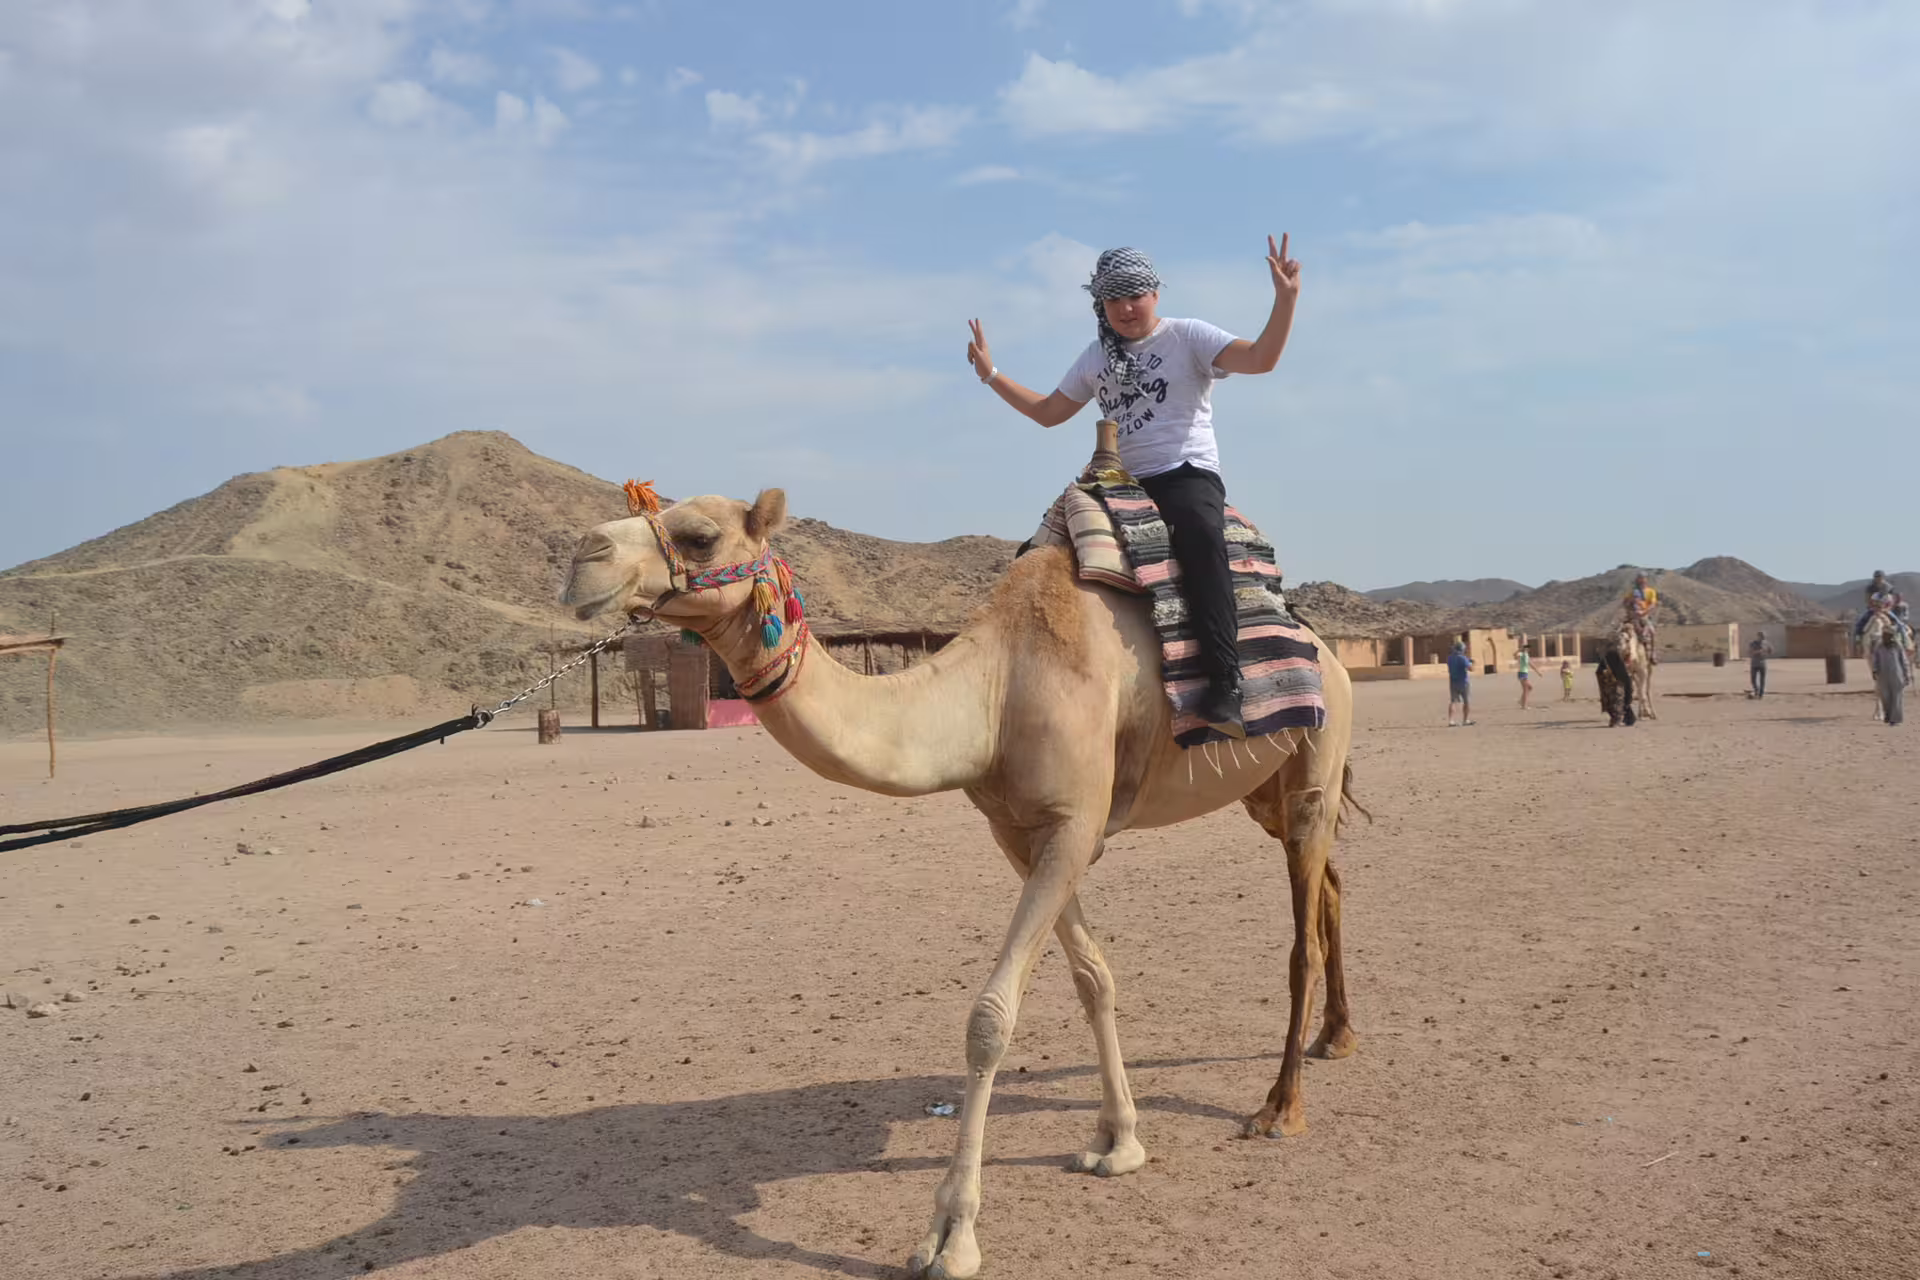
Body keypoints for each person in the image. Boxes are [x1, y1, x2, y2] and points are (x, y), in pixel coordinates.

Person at [966, 236, 1303, 739]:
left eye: (1135, 294)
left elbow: (1261, 358)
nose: (1126, 307)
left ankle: (1225, 681)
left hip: (1186, 472)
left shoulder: (1188, 337)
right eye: (1113, 298)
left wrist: (1286, 299)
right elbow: (1048, 413)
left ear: (1155, 294)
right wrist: (992, 374)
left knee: (1199, 538)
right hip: (1121, 479)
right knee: (1041, 548)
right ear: (1099, 303)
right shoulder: (1094, 358)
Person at [1871, 626, 1908, 726]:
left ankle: (1895, 719)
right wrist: (1874, 670)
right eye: (1884, 635)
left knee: (1897, 697)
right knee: (1885, 697)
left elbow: (1904, 661)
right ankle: (1888, 714)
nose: (1885, 637)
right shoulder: (1879, 646)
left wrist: (1906, 674)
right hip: (1883, 675)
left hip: (1897, 674)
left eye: (1887, 635)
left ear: (1892, 636)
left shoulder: (1897, 646)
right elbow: (1875, 659)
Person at [1624, 572, 1659, 663]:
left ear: (1646, 579)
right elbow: (1625, 603)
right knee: (1623, 634)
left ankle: (1653, 654)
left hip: (1645, 616)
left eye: (1643, 578)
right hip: (1633, 616)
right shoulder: (1632, 592)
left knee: (1652, 632)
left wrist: (1644, 612)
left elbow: (1652, 604)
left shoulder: (1651, 591)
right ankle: (1625, 654)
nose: (1642, 580)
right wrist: (1630, 602)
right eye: (1640, 578)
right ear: (1637, 580)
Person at [1446, 640, 1474, 726]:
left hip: (1453, 681)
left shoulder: (1450, 657)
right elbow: (1471, 668)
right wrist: (1471, 663)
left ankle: (1451, 720)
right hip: (1463, 682)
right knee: (1466, 701)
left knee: (1453, 701)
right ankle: (1465, 720)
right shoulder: (1462, 657)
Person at [1748, 633, 1773, 698]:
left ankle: (1761, 694)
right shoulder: (1753, 643)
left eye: (1764, 637)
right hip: (1754, 663)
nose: (1762, 638)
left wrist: (1767, 651)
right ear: (1758, 636)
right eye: (1761, 636)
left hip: (1762, 663)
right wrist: (1759, 651)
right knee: (1753, 679)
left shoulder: (1766, 643)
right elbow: (1751, 652)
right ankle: (1756, 690)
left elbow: (1770, 651)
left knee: (1762, 680)